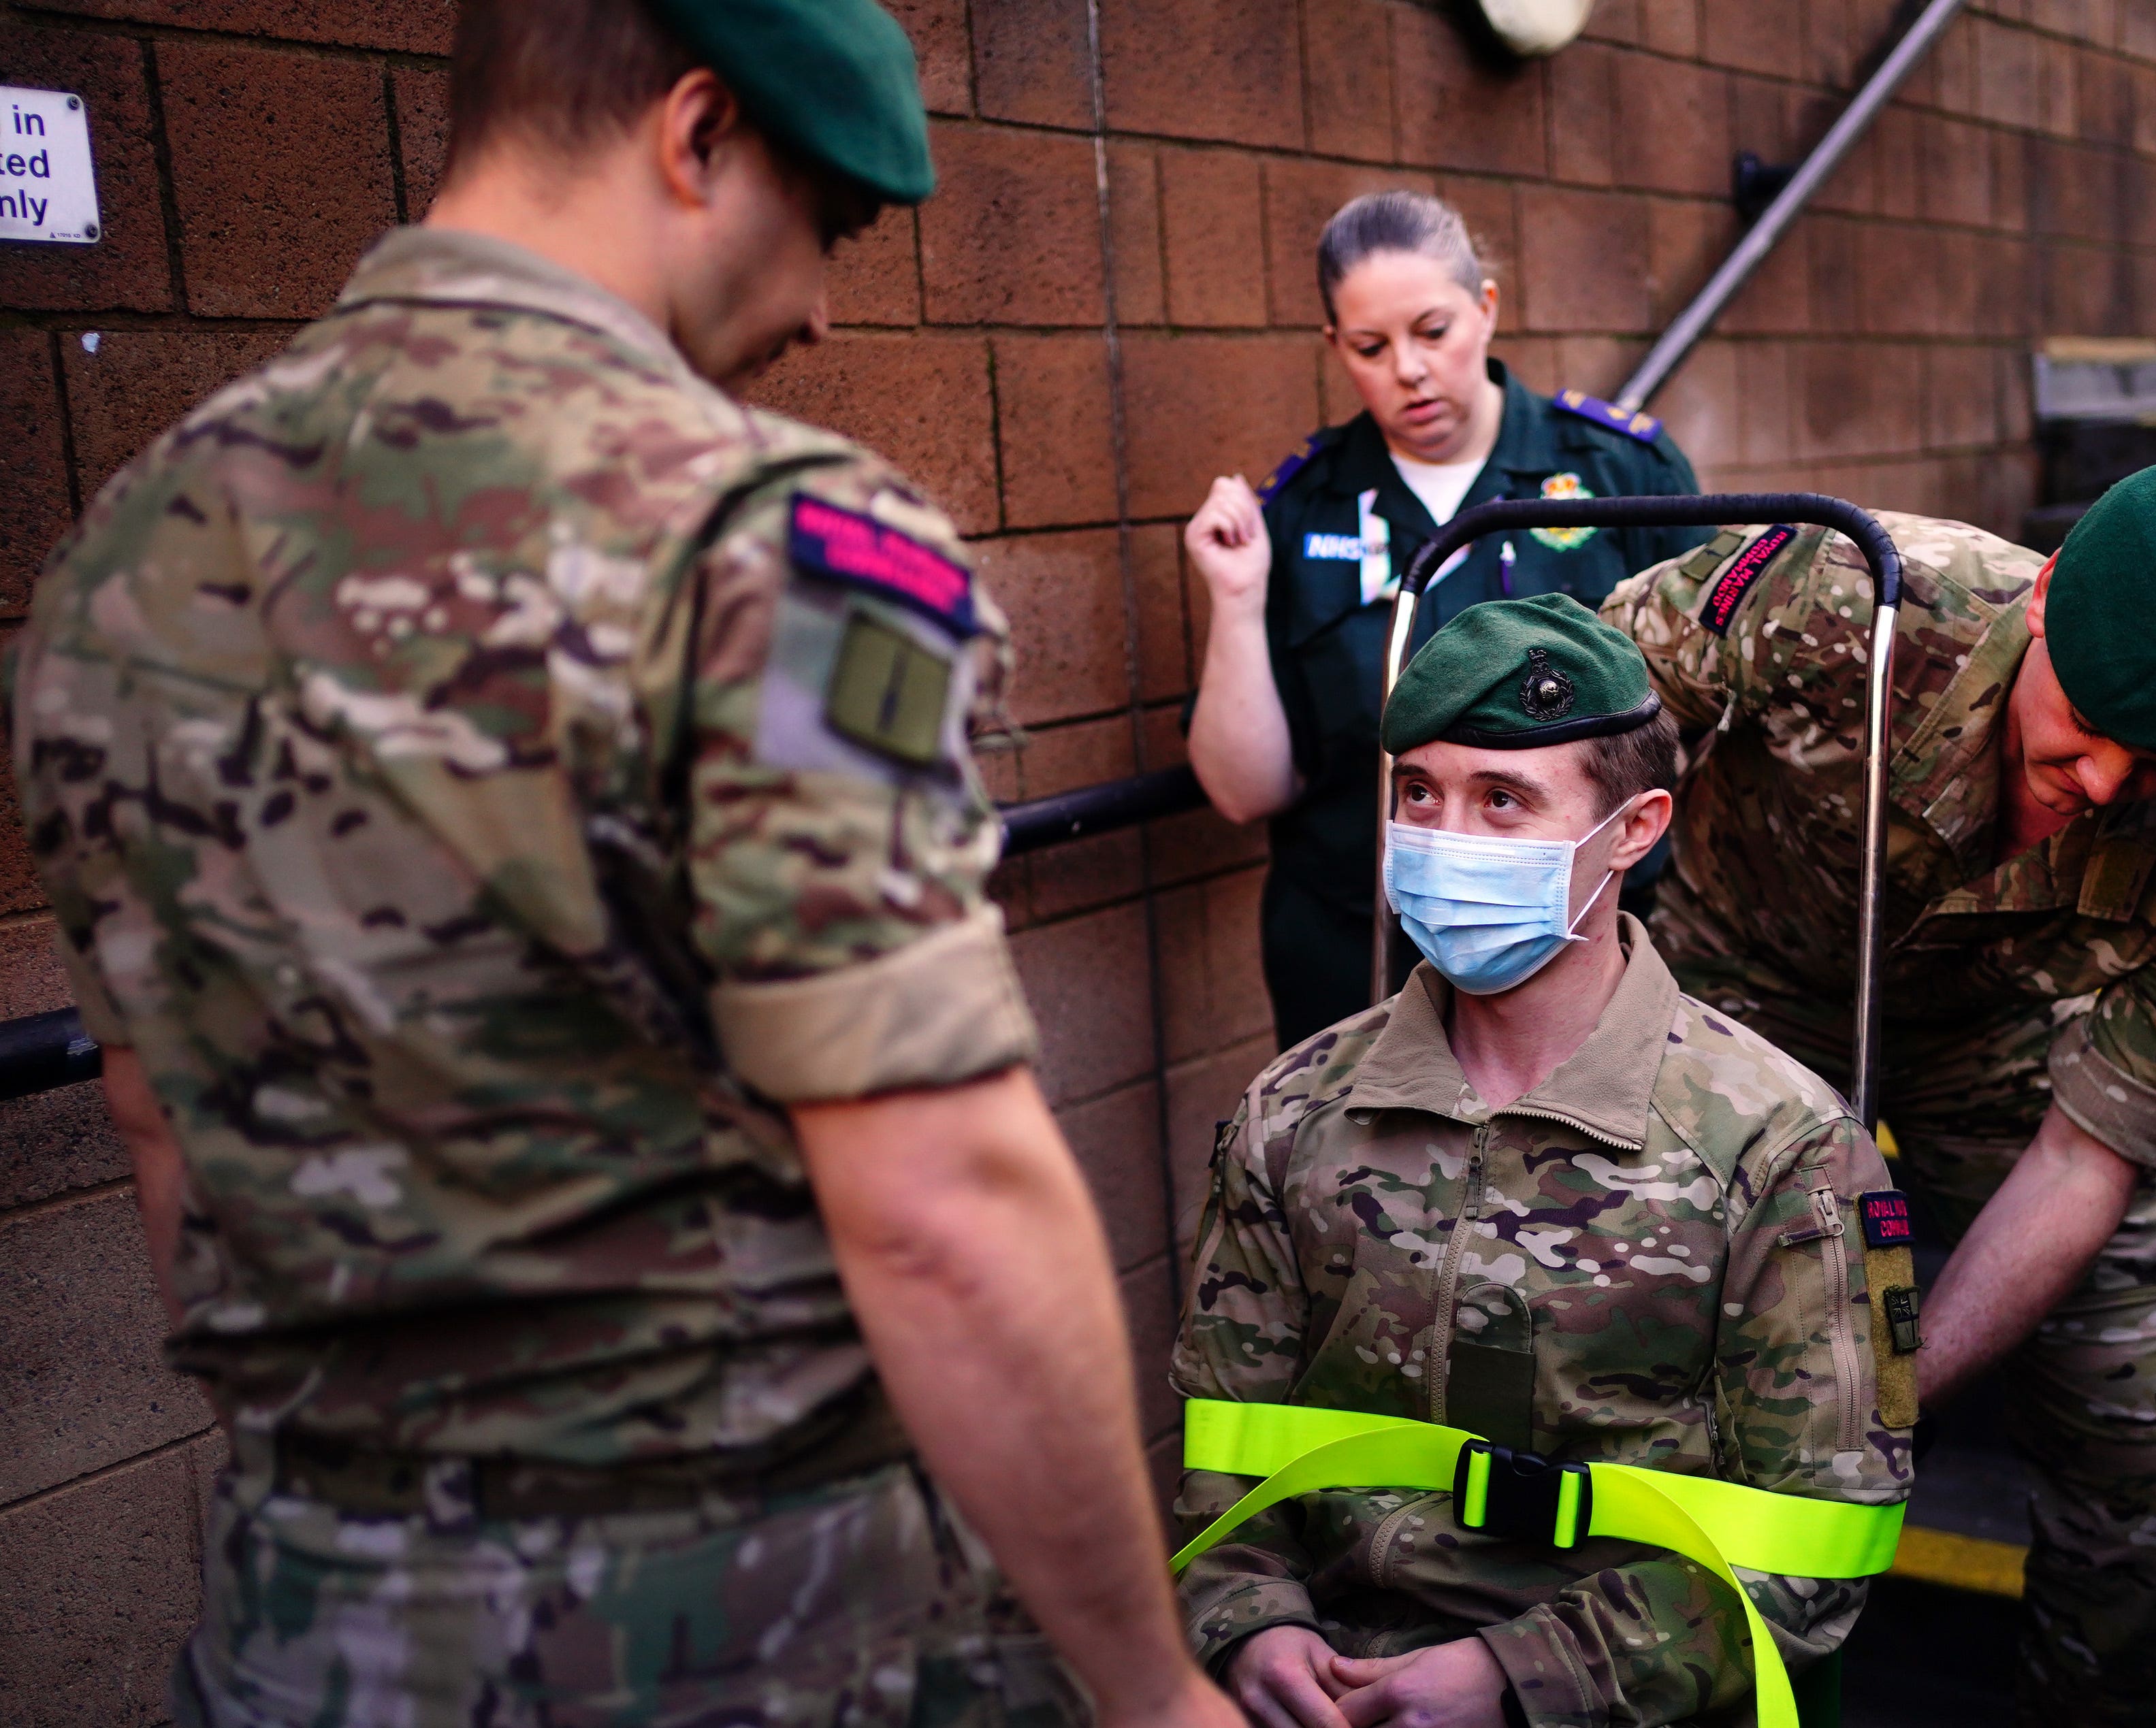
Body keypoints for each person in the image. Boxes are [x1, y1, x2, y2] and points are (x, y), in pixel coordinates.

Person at [7, 5, 1240, 1728]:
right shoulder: (780, 546)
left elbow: (162, 1130)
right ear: (699, 134)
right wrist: (1151, 1686)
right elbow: (943, 1203)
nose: (826, 306)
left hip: (301, 1639)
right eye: (832, 224)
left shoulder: (117, 567)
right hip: (756, 1645)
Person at [1601, 457, 2156, 1726]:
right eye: (2092, 722)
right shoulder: (1837, 590)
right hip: (1733, 992)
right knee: (1616, 1352)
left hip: (1998, 1040)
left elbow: (2084, 1159)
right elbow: (1579, 724)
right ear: (2046, 596)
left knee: (2129, 1440)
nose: (2106, 783)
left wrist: (1892, 1392)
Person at [1170, 595, 1916, 1728]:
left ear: (1633, 825)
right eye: (1417, 791)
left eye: (1502, 799)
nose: (1441, 836)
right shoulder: (1294, 1110)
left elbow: (1821, 1533)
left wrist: (1520, 1676)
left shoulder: (1782, 1144)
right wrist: (1246, 1615)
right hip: (1320, 1679)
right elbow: (1225, 1440)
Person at [1185, 191, 1711, 1052]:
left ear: (1487, 308)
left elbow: (1706, 712)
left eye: (1433, 331)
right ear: (1334, 348)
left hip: (1588, 941)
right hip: (1358, 942)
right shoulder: (1302, 505)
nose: (1409, 369)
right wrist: (1235, 598)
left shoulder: (1619, 469)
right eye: (1370, 346)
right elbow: (1246, 792)